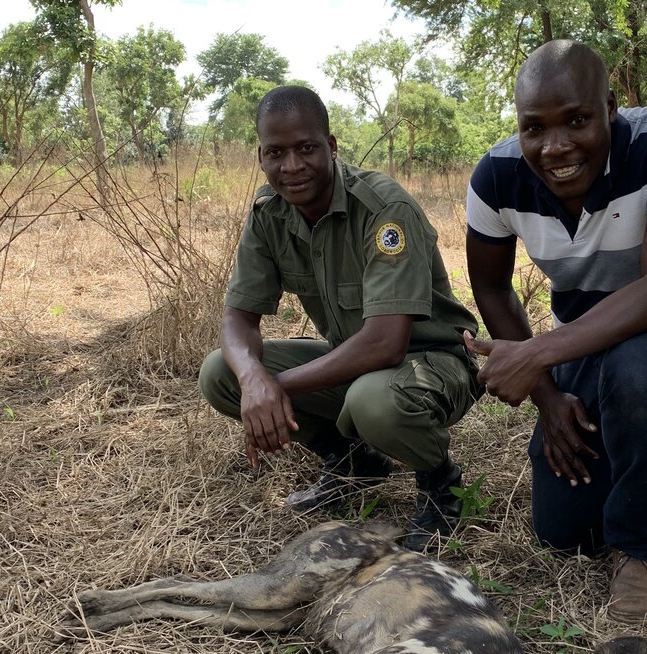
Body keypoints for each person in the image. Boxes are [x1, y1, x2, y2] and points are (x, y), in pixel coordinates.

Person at [463, 41, 647, 623]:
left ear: (610, 109)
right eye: (533, 128)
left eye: (577, 120)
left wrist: (536, 353)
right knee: (563, 530)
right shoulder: (495, 178)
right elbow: (491, 289)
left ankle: (640, 548)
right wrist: (547, 396)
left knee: (640, 371)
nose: (556, 146)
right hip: (585, 341)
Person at [199, 85, 481, 550]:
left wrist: (276, 388)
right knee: (220, 373)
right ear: (261, 157)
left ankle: (441, 483)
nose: (291, 166)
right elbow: (237, 319)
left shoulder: (383, 209)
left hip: (433, 361)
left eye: (306, 148)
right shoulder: (268, 214)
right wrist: (253, 380)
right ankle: (352, 460)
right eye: (276, 153)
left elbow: (386, 344)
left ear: (331, 147)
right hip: (354, 363)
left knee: (374, 402)